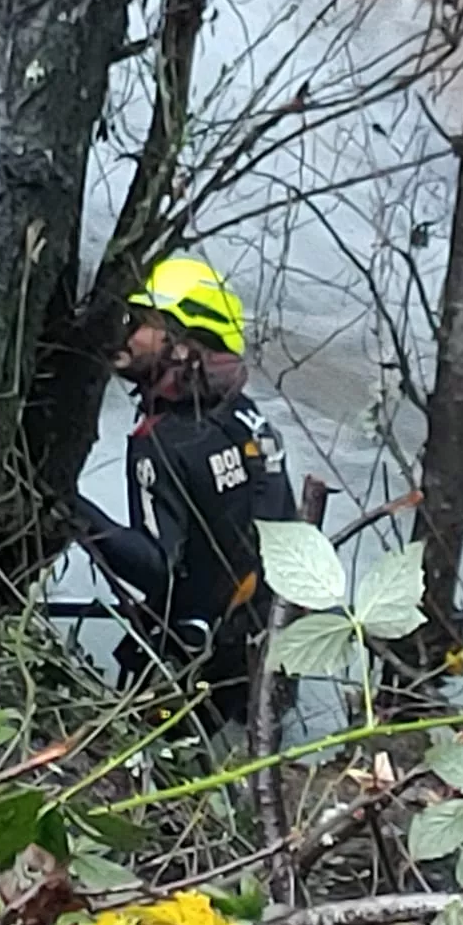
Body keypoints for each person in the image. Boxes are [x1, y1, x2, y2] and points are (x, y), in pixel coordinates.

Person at [76, 256, 296, 725]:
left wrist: (69, 508)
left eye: (140, 323)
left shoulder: (163, 443)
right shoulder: (247, 420)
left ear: (182, 346)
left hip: (194, 680)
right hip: (269, 657)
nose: (125, 334)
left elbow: (160, 568)